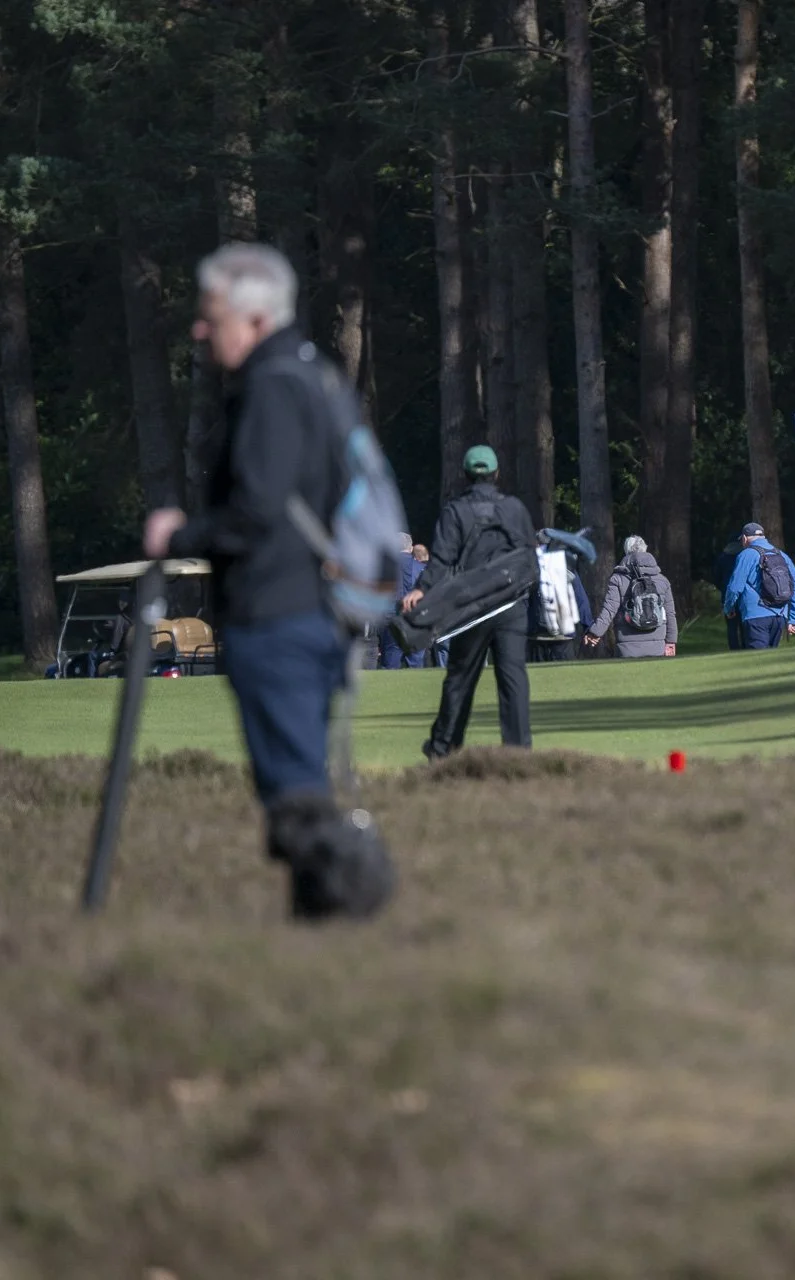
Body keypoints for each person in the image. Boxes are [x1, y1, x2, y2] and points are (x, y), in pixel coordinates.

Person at [142, 242, 393, 920]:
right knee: (297, 784)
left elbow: (256, 511)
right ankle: (322, 935)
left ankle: (353, 908)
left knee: (295, 798)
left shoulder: (274, 384)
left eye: (212, 315)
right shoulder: (309, 375)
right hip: (304, 610)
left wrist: (178, 537)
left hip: (280, 617)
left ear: (253, 319)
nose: (200, 329)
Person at [405, 444, 537, 758]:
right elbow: (530, 553)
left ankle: (443, 749)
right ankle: (519, 752)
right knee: (513, 676)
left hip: (472, 605)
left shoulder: (455, 511)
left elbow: (440, 561)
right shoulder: (515, 509)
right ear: (496, 474)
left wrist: (420, 590)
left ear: (465, 474)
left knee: (461, 678)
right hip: (511, 604)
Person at [586, 535, 679, 657]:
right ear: (645, 550)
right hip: (657, 646)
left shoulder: (618, 579)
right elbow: (670, 614)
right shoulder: (662, 580)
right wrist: (671, 642)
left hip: (627, 646)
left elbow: (609, 610)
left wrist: (595, 632)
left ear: (626, 552)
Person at [722, 522, 795, 649]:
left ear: (744, 538)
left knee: (758, 661)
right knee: (770, 660)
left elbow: (735, 587)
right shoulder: (781, 555)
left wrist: (729, 608)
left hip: (755, 616)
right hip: (780, 615)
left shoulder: (746, 555)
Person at [378, 533, 426, 670]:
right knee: (416, 663)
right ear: (411, 548)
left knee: (390, 662)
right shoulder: (421, 567)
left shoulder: (384, 566)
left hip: (390, 617)